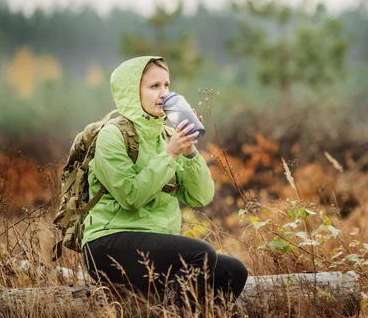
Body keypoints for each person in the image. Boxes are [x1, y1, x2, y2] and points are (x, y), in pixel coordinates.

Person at [81, 56, 248, 308]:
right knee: (201, 254)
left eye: (166, 85)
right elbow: (131, 197)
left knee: (233, 271)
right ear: (131, 92)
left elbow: (200, 197)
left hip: (154, 247)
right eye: (154, 86)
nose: (164, 93)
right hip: (108, 244)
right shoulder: (111, 136)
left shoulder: (166, 135)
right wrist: (170, 154)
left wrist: (190, 150)